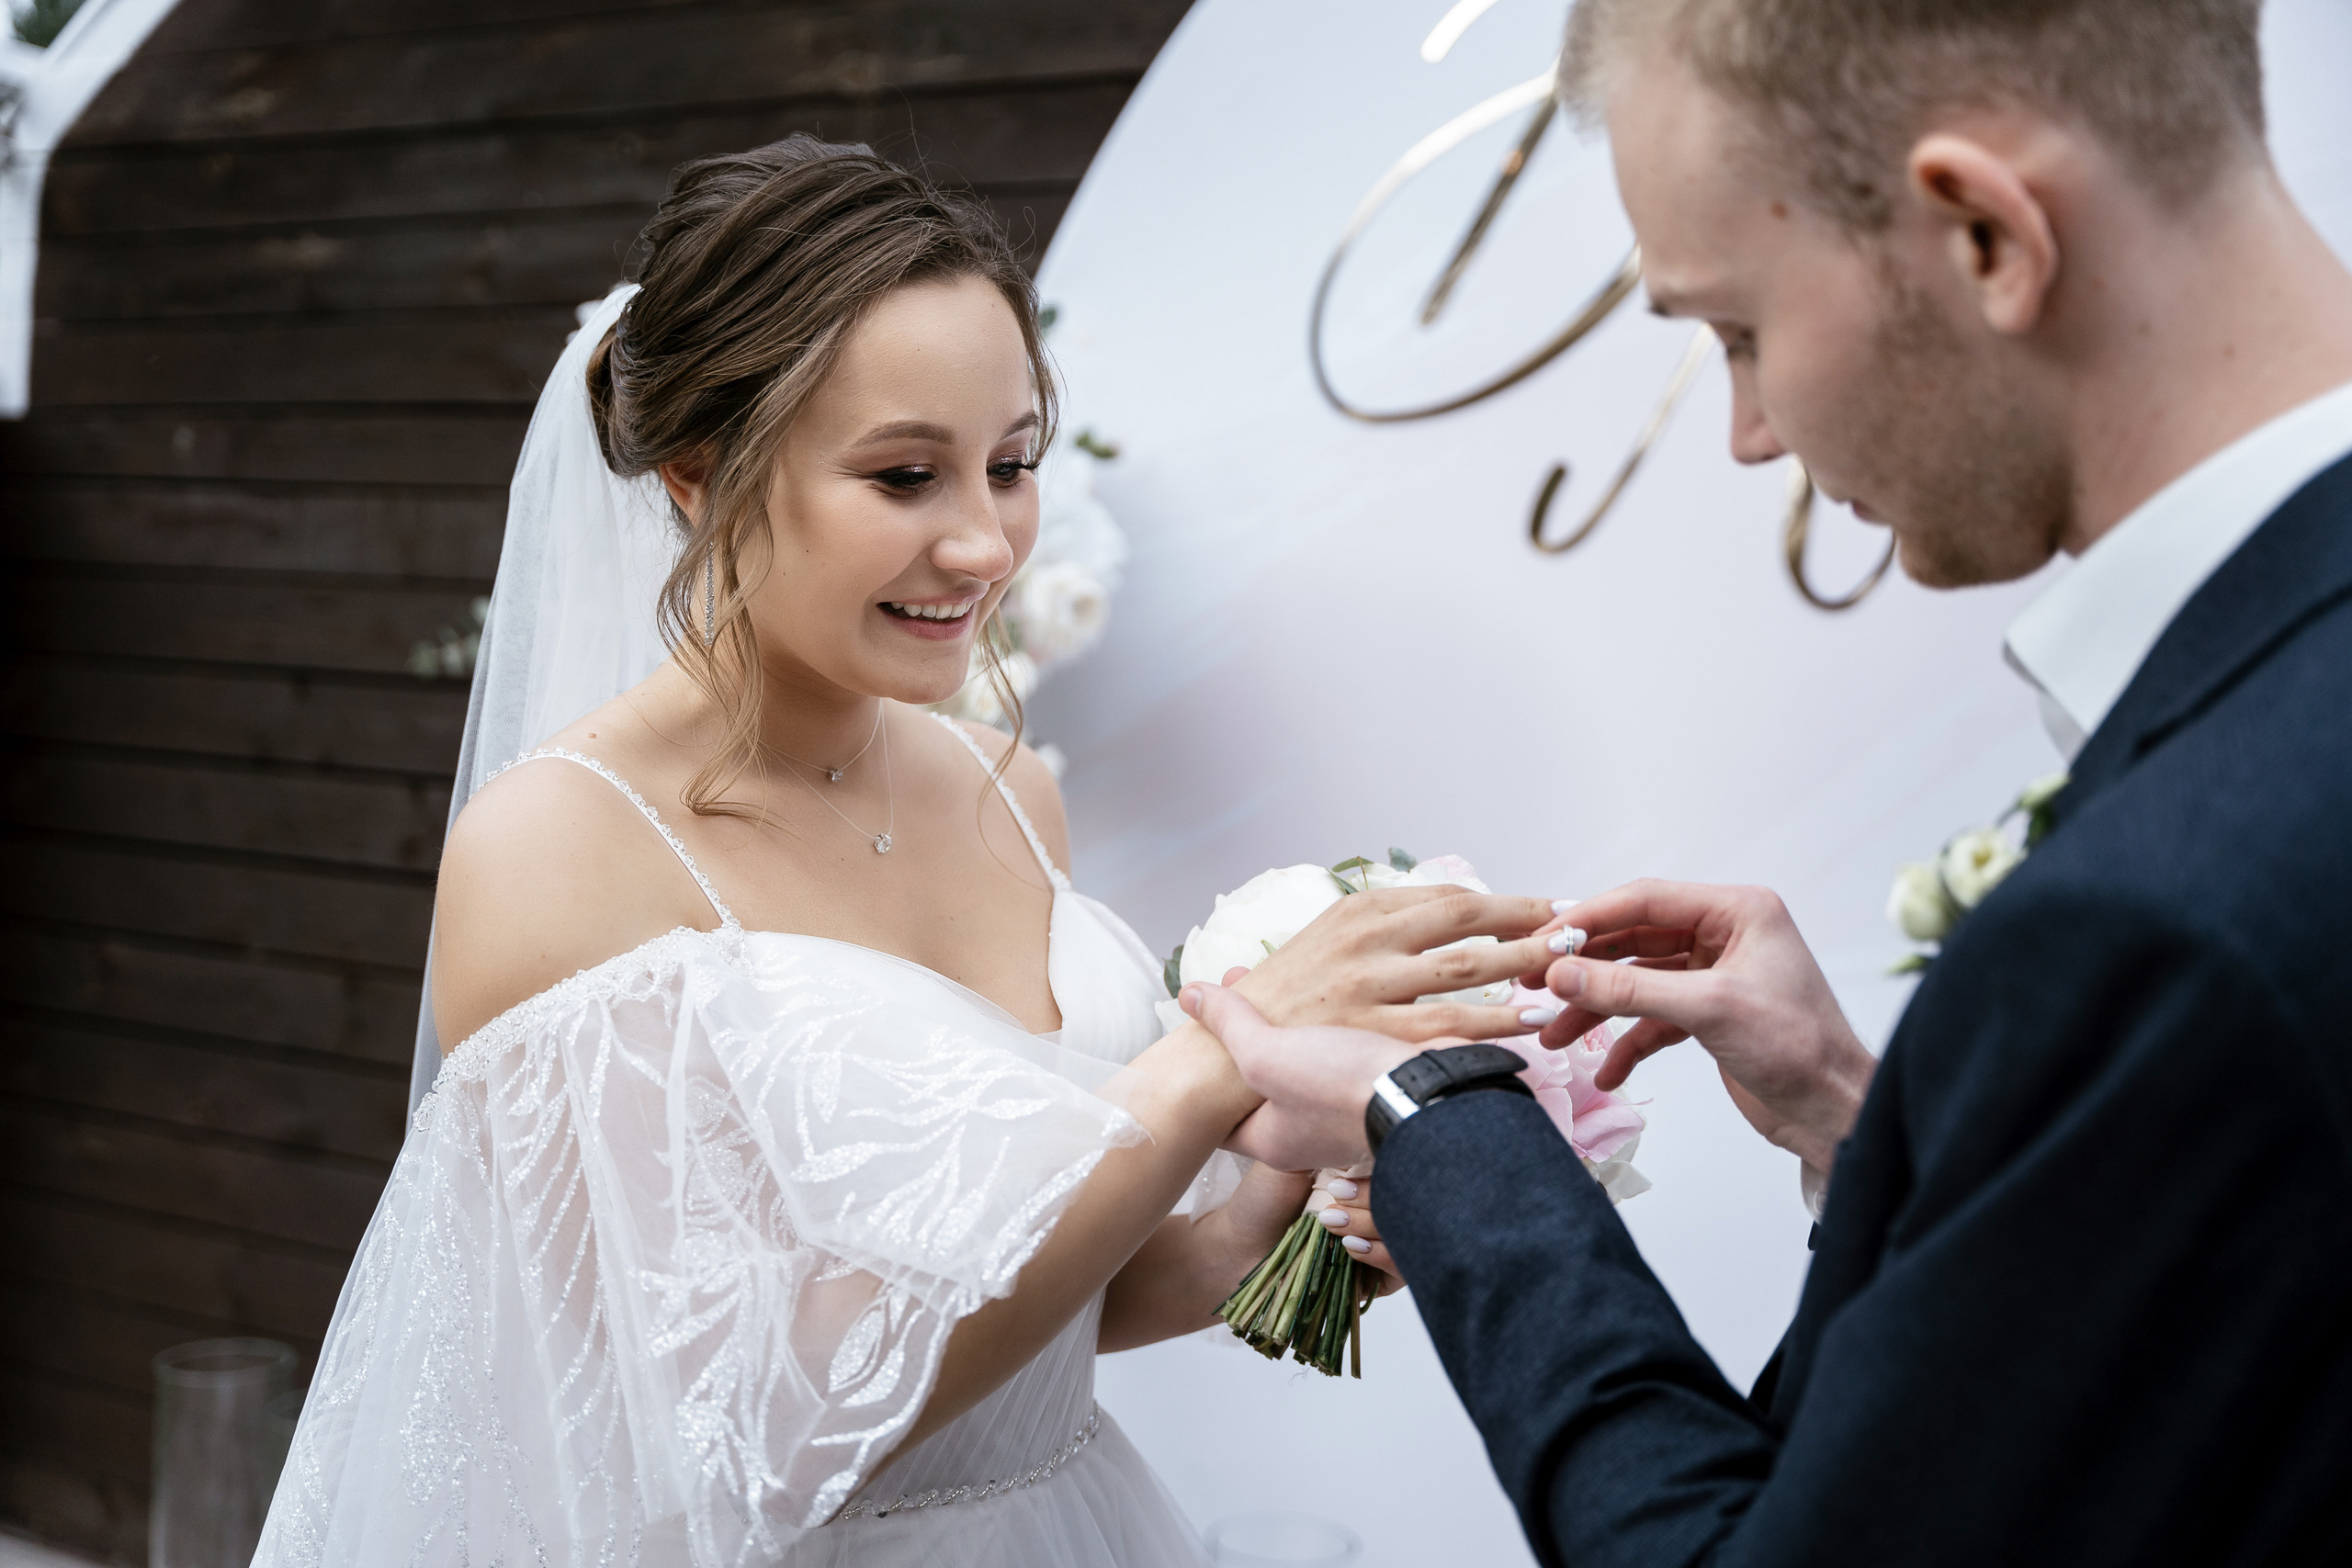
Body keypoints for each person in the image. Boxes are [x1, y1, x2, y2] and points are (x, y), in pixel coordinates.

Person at [251, 137, 1563, 1567]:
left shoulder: (1010, 790)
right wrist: (1210, 1064)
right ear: (698, 476)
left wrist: (1281, 1215)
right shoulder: (555, 851)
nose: (987, 543)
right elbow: (744, 1415)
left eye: (1010, 466)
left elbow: (1055, 1316)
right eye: (905, 477)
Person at [1181, 1, 2352, 1563]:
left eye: (1735, 329)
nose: (1746, 433)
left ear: (1985, 236)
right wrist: (1864, 1128)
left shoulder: (2170, 912)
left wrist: (1439, 1120)